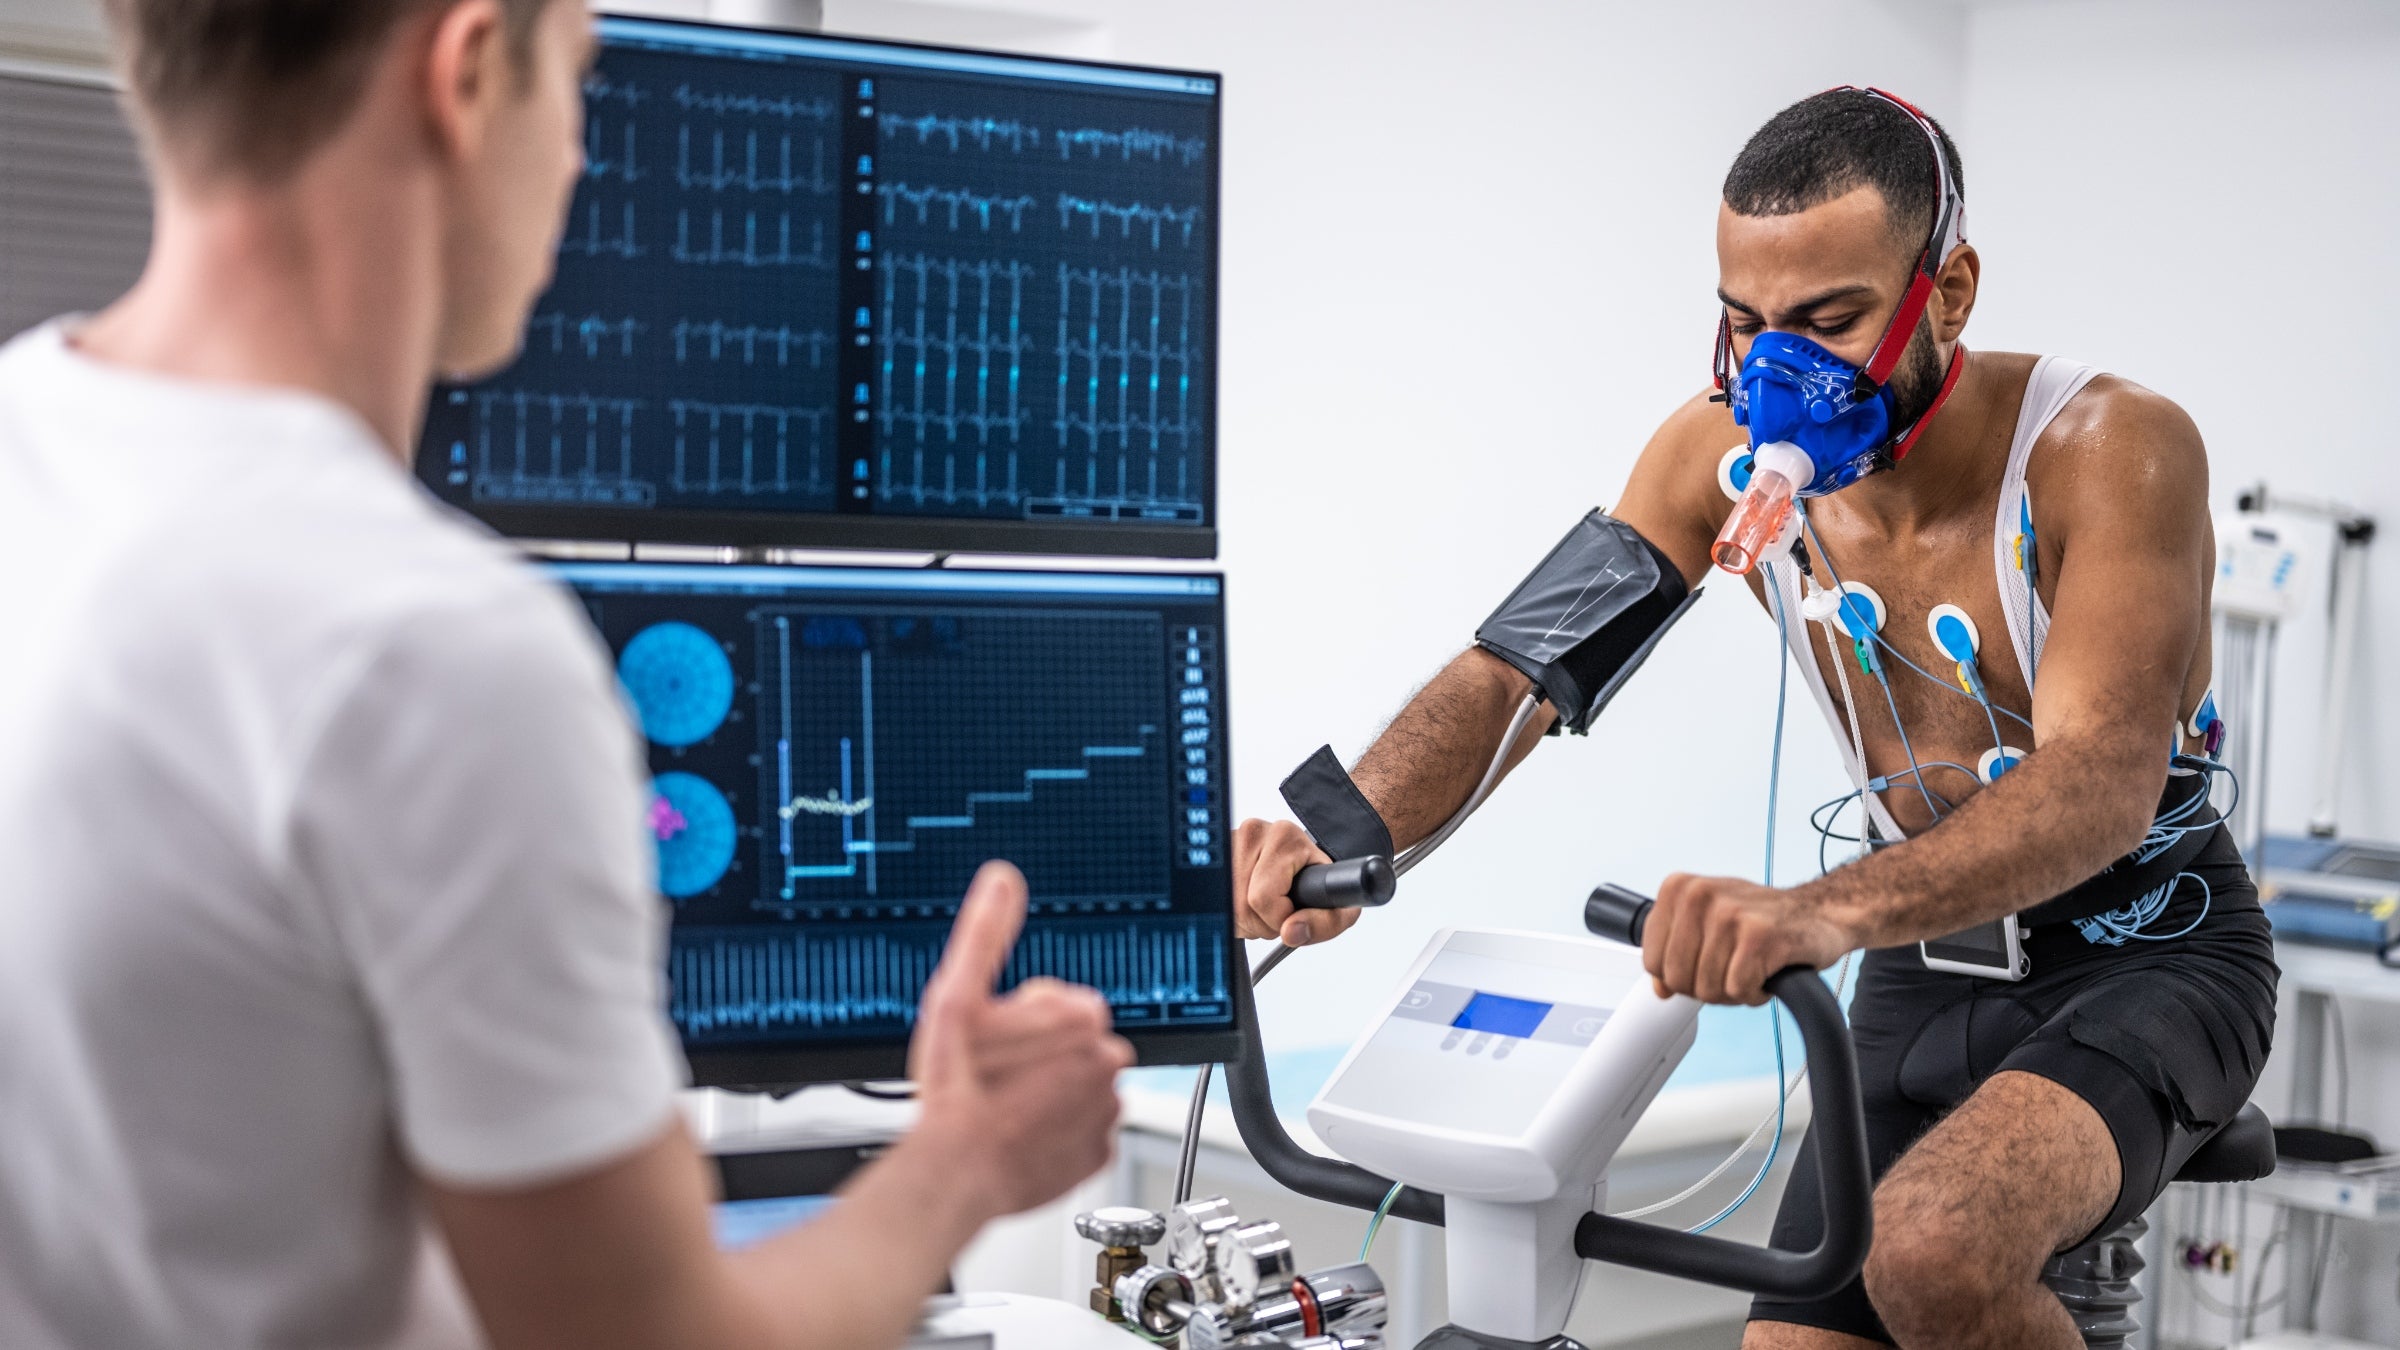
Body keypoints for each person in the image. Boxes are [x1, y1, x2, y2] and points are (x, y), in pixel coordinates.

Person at [0, 2, 1130, 1348]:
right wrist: (968, 1159)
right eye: (580, 90)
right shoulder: (427, 649)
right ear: (469, 71)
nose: (581, 161)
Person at [1236, 89, 2276, 1350]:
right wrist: (1339, 836)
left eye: (1830, 323)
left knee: (1935, 1252)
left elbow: (2105, 781)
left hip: (2150, 951)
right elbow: (1520, 667)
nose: (1779, 373)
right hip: (1926, 963)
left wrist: (1815, 910)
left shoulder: (2109, 450)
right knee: (1789, 1339)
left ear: (1946, 293)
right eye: (1747, 322)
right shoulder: (1711, 454)